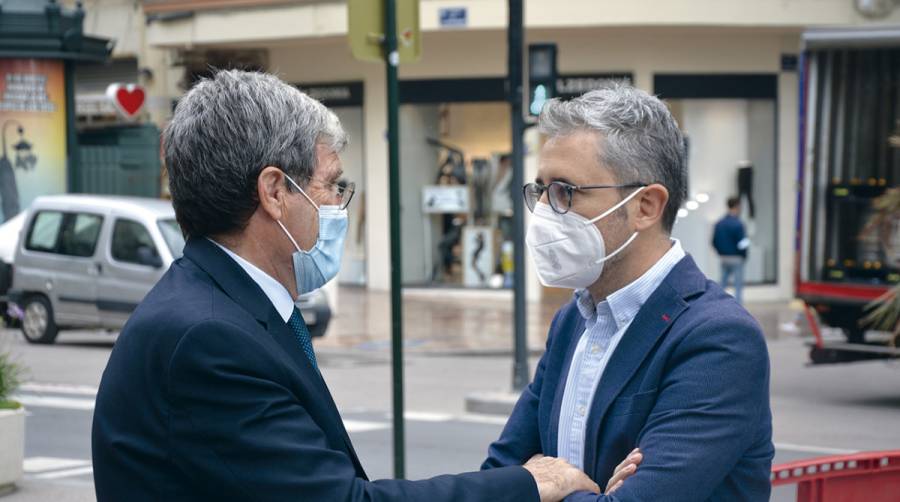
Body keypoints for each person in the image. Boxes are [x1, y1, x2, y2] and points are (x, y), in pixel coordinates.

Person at [91, 70, 628, 502]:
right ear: (275, 192)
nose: (337, 206)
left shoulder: (226, 305)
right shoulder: (207, 337)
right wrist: (530, 484)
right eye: (330, 185)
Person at [482, 84, 773, 501]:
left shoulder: (719, 338)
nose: (544, 210)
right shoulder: (574, 319)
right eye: (540, 189)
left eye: (565, 191)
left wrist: (549, 487)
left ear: (646, 207)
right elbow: (499, 476)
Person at [713, 196, 749, 304]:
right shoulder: (738, 224)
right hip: (737, 258)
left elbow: (714, 241)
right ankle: (738, 307)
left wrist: (721, 252)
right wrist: (744, 255)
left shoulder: (719, 223)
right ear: (737, 206)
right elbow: (743, 243)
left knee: (722, 284)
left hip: (724, 258)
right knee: (738, 286)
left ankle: (718, 305)